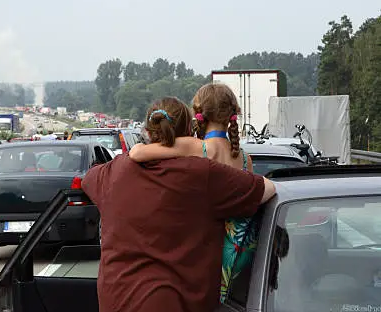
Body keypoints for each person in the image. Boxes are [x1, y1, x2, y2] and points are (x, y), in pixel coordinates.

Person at [82, 97, 276, 312]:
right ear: (189, 132)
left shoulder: (114, 172)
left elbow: (87, 179)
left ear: (147, 131)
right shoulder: (203, 174)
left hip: (115, 301)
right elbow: (267, 189)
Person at [128, 83, 255, 302]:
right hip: (237, 259)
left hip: (203, 256)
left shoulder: (196, 147)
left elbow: (137, 153)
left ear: (200, 113)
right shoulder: (245, 159)